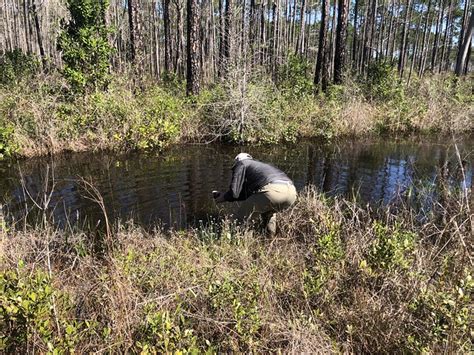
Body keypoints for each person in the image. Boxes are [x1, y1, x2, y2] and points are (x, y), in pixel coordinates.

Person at [212, 153, 297, 236]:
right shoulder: (260, 167)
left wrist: (223, 197)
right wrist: (226, 196)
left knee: (243, 219)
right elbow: (249, 195)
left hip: (272, 191)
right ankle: (270, 241)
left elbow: (235, 193)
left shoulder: (242, 163)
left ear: (237, 161)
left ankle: (245, 246)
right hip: (292, 193)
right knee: (268, 214)